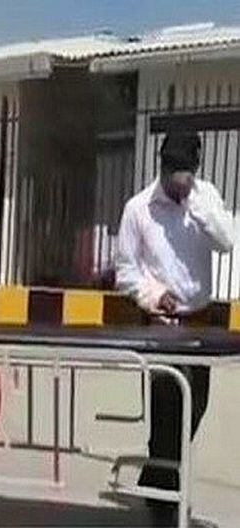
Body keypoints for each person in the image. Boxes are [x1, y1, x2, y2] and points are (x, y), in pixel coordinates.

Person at [115, 130, 234, 520]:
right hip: (162, 325)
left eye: (185, 170)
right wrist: (152, 294)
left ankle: (157, 479)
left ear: (194, 168)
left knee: (195, 408)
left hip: (200, 322)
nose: (178, 178)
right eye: (172, 169)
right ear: (162, 166)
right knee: (168, 413)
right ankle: (167, 505)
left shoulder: (205, 196)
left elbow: (227, 242)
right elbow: (126, 271)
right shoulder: (138, 209)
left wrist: (196, 207)